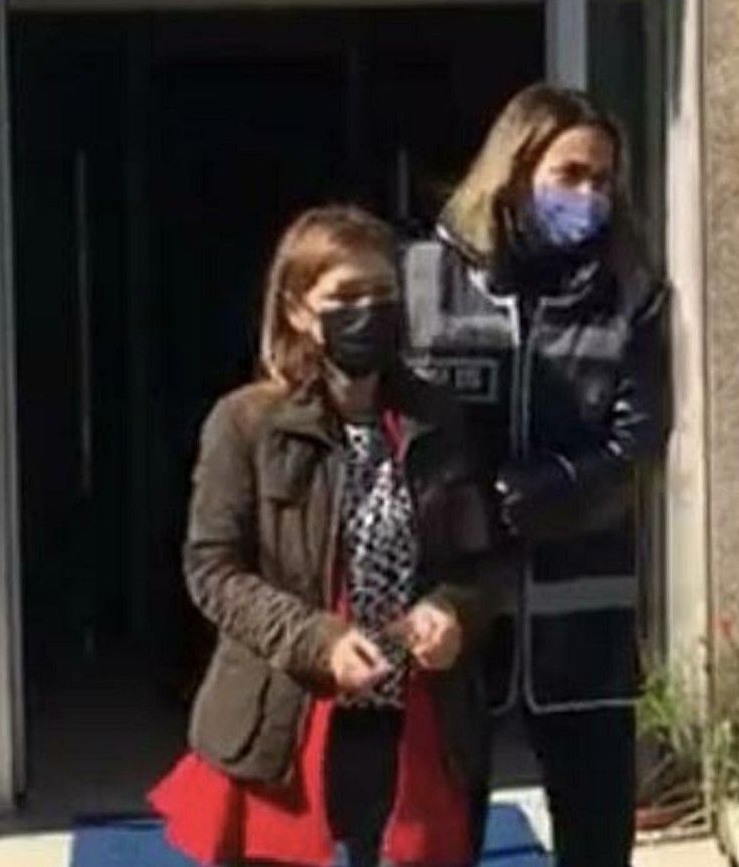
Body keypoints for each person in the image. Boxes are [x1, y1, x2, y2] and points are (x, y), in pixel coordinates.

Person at [149, 205, 499, 867]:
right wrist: (319, 641)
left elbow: (480, 565)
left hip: (412, 728)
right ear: (298, 310)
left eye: (382, 293)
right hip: (289, 722)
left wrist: (452, 611)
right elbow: (213, 569)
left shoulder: (438, 418)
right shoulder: (247, 424)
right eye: (345, 296)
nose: (367, 312)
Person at [400, 84, 670, 867]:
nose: (588, 195)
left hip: (581, 601)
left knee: (595, 831)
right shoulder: (426, 278)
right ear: (516, 171)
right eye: (570, 174)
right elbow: (391, 429)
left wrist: (554, 484)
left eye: (602, 179)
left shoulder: (631, 292)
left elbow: (639, 439)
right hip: (453, 605)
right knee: (435, 834)